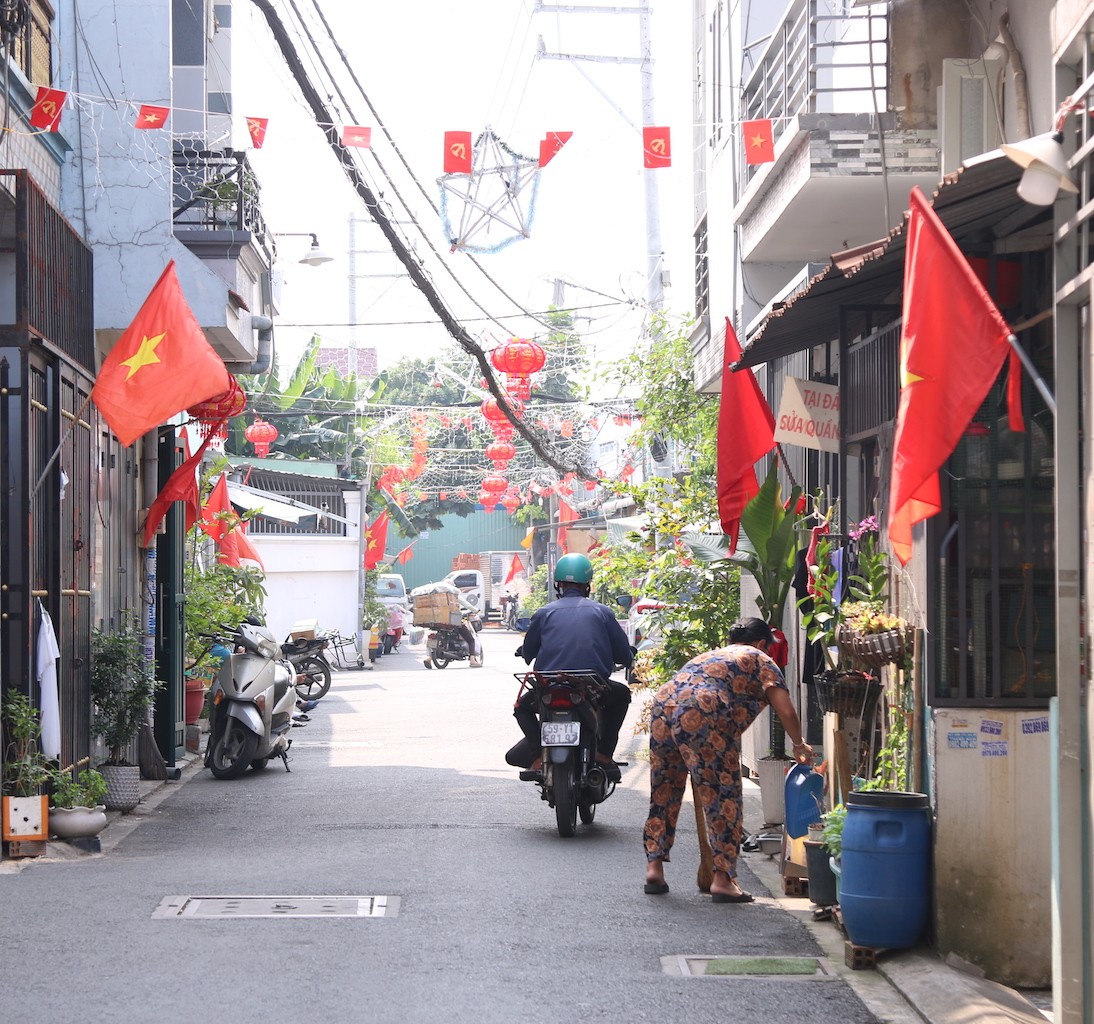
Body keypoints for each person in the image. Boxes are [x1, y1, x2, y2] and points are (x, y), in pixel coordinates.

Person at [642, 617, 814, 904]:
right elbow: (786, 710)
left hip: (664, 704)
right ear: (761, 643)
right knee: (723, 795)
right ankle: (722, 879)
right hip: (703, 708)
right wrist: (799, 744)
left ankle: (654, 869)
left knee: (664, 789)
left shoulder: (713, 656)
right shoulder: (759, 658)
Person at [507, 553, 634, 780]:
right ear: (588, 585)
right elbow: (624, 654)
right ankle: (604, 754)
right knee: (622, 694)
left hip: (550, 686)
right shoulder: (603, 613)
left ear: (558, 584)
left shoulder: (544, 613)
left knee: (522, 708)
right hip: (593, 687)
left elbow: (529, 651)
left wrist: (525, 652)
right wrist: (627, 657)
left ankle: (537, 756)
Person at [423, 591, 482, 669]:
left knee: (432, 638)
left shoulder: (435, 596)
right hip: (453, 622)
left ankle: (429, 658)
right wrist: (475, 610)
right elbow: (467, 604)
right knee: (471, 640)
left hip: (438, 621)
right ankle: (472, 660)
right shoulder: (453, 595)